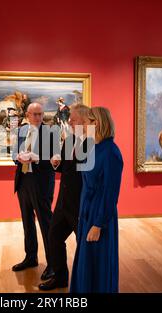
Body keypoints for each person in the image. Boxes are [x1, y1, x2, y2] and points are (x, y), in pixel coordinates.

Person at [70, 107, 124, 293]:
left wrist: (98, 224)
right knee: (86, 261)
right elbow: (85, 184)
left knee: (98, 263)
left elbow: (110, 193)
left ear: (97, 123)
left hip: (99, 216)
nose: (83, 126)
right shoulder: (93, 147)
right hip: (87, 212)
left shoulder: (111, 153)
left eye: (86, 122)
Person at [39, 104, 91, 291]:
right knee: (54, 237)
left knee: (84, 246)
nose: (69, 121)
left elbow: (88, 175)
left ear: (85, 120)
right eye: (70, 118)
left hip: (80, 204)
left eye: (74, 119)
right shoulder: (70, 140)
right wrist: (56, 163)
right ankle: (60, 279)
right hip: (63, 202)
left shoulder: (92, 141)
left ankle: (85, 282)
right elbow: (66, 169)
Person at [12, 102, 57, 281]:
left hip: (42, 183)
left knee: (46, 224)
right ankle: (31, 257)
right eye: (35, 114)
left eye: (41, 114)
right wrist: (18, 157)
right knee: (27, 222)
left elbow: (56, 160)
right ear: (28, 115)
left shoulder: (51, 132)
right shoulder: (21, 131)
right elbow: (13, 152)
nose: (38, 118)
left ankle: (53, 264)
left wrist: (35, 158)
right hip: (23, 181)